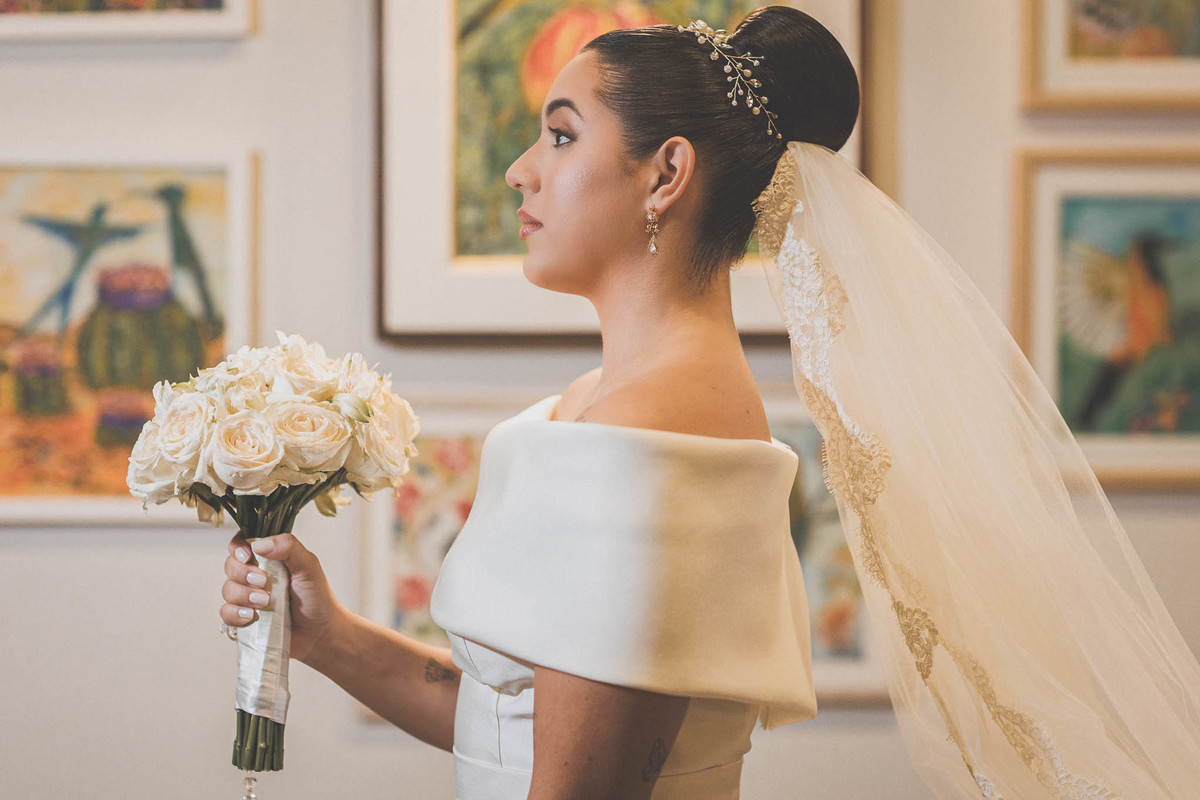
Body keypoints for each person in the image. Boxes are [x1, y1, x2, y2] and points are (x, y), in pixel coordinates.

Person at [220, 6, 1200, 800]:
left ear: (668, 173)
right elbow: (504, 720)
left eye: (560, 134)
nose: (521, 168)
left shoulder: (644, 436)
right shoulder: (609, 405)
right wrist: (330, 637)